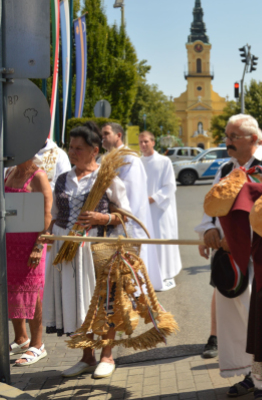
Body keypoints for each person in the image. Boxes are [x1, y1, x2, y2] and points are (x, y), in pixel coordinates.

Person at [195, 114, 262, 398]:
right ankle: (248, 373)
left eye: (234, 136)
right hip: (229, 260)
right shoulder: (226, 168)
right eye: (227, 135)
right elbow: (211, 206)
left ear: (255, 139)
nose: (227, 141)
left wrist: (243, 239)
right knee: (234, 319)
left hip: (260, 258)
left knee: (257, 318)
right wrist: (208, 229)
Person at [43, 122, 132, 379]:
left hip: (97, 248)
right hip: (67, 250)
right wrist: (48, 235)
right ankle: (87, 356)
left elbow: (125, 215)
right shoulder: (63, 179)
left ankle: (107, 355)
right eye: (70, 147)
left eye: (78, 148)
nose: (72, 152)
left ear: (94, 150)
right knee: (78, 301)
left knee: (104, 299)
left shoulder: (106, 178)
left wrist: (102, 218)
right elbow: (57, 215)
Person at [101, 122, 163, 291]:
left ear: (118, 135)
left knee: (132, 262)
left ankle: (135, 290)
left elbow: (132, 193)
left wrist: (121, 216)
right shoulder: (104, 157)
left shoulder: (130, 158)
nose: (102, 138)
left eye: (106, 133)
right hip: (111, 219)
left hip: (127, 220)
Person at [6, 156, 53, 366]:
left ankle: (38, 343)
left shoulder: (39, 176)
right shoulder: (9, 173)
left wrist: (38, 245)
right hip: (9, 243)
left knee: (33, 292)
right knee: (13, 289)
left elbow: (47, 215)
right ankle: (21, 338)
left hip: (30, 244)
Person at [139, 131, 182, 291]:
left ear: (153, 142)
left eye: (146, 142)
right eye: (141, 142)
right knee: (147, 240)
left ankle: (165, 273)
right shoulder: (138, 162)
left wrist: (153, 198)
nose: (143, 145)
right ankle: (148, 274)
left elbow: (170, 185)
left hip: (160, 210)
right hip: (144, 209)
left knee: (161, 239)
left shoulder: (164, 161)